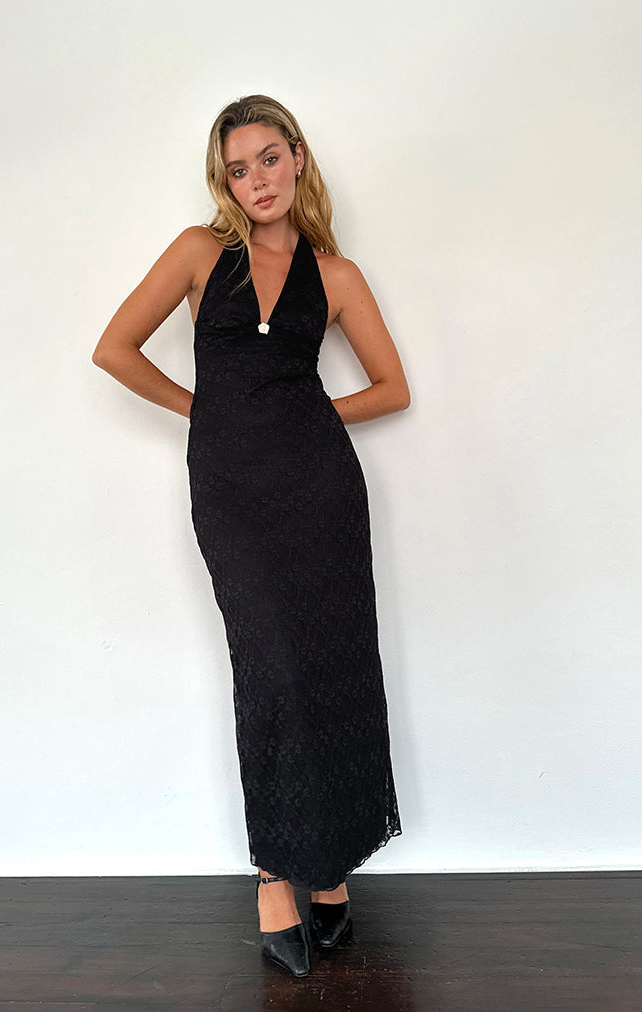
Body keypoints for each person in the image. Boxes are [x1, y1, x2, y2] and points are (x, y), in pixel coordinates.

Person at [92, 94, 410, 978]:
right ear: (224, 181)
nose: (257, 180)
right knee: (270, 668)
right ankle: (275, 874)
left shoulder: (337, 275)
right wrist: (210, 413)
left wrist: (306, 420)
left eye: (269, 158)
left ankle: (332, 869)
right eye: (238, 168)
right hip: (233, 493)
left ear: (298, 158)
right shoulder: (199, 254)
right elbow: (114, 349)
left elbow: (392, 388)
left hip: (321, 493)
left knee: (335, 666)